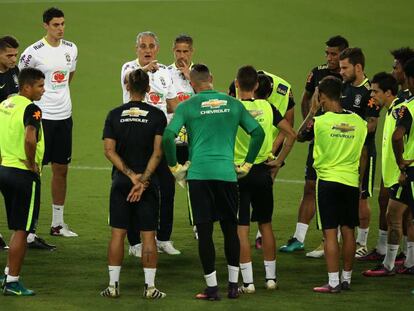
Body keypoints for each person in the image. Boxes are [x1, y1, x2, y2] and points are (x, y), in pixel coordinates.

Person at [162, 64, 265, 300]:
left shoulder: (187, 106)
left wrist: (174, 167)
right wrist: (248, 164)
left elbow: (169, 136)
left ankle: (211, 289)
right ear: (212, 79)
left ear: (192, 83)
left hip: (199, 177)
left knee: (205, 232)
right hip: (227, 175)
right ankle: (232, 286)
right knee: (231, 231)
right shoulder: (233, 103)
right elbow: (258, 133)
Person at [279, 35, 349, 257]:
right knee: (310, 187)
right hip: (319, 140)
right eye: (327, 53)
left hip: (341, 145)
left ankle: (329, 241)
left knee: (334, 191)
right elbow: (305, 99)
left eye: (334, 54)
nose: (329, 58)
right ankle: (298, 238)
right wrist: (311, 127)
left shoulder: (349, 78)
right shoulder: (318, 73)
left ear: (344, 55)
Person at [101, 69, 167, 299]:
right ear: (149, 89)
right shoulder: (158, 116)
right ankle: (150, 288)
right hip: (148, 184)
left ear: (127, 87)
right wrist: (143, 179)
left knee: (118, 234)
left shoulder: (114, 114)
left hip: (121, 182)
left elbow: (109, 151)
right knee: (148, 236)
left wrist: (130, 177)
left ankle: (112, 286)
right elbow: (158, 153)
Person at [298, 76, 367, 293]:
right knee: (348, 231)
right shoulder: (359, 122)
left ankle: (333, 282)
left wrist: (312, 111)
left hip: (327, 182)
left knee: (330, 233)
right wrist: (359, 181)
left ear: (322, 96)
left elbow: (300, 135)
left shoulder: (319, 122)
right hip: (350, 182)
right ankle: (346, 278)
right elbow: (364, 153)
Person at [233, 66, 296, 294]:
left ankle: (248, 283)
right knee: (265, 225)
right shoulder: (268, 107)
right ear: (257, 85)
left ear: (237, 84)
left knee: (241, 229)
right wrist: (278, 160)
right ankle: (270, 279)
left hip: (238, 173)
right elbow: (292, 133)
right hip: (262, 173)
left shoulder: (234, 107)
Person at [19, 7, 78, 240]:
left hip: (65, 116)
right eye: (55, 24)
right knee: (35, 171)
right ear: (45, 25)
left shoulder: (71, 49)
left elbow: (69, 76)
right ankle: (30, 228)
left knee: (61, 170)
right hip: (41, 118)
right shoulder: (33, 52)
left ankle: (57, 223)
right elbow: (22, 82)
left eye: (63, 23)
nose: (60, 28)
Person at [121, 31, 181, 257]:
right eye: (143, 46)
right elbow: (129, 80)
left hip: (162, 142)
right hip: (136, 143)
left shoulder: (166, 72)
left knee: (167, 190)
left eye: (151, 46)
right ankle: (135, 242)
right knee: (137, 189)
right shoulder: (128, 68)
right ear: (136, 48)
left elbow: (173, 104)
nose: (147, 50)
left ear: (157, 49)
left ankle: (164, 238)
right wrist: (145, 70)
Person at [360, 50, 414, 262]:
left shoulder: (405, 104)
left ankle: (396, 260)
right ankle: (397, 256)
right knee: (396, 211)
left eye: (396, 67)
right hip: (394, 168)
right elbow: (373, 109)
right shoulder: (397, 99)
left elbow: (398, 136)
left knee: (402, 216)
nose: (394, 71)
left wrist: (402, 165)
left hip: (402, 169)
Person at [0, 67, 46, 296]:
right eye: (40, 86)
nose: (43, 90)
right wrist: (31, 163)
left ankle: (7, 272)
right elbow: (30, 137)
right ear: (26, 87)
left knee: (15, 225)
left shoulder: (5, 105)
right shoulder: (32, 109)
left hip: (4, 169)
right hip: (22, 175)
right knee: (22, 230)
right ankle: (12, 283)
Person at [339, 47, 380, 258]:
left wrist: (350, 128)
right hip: (343, 154)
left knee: (361, 197)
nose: (341, 72)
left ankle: (362, 243)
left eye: (345, 68)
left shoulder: (370, 92)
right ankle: (342, 240)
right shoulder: (343, 87)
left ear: (358, 67)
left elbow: (372, 124)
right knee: (343, 196)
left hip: (364, 152)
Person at [0, 35, 20, 250]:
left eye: (15, 54)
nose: (14, 59)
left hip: (9, 140)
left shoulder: (14, 72)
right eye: (9, 55)